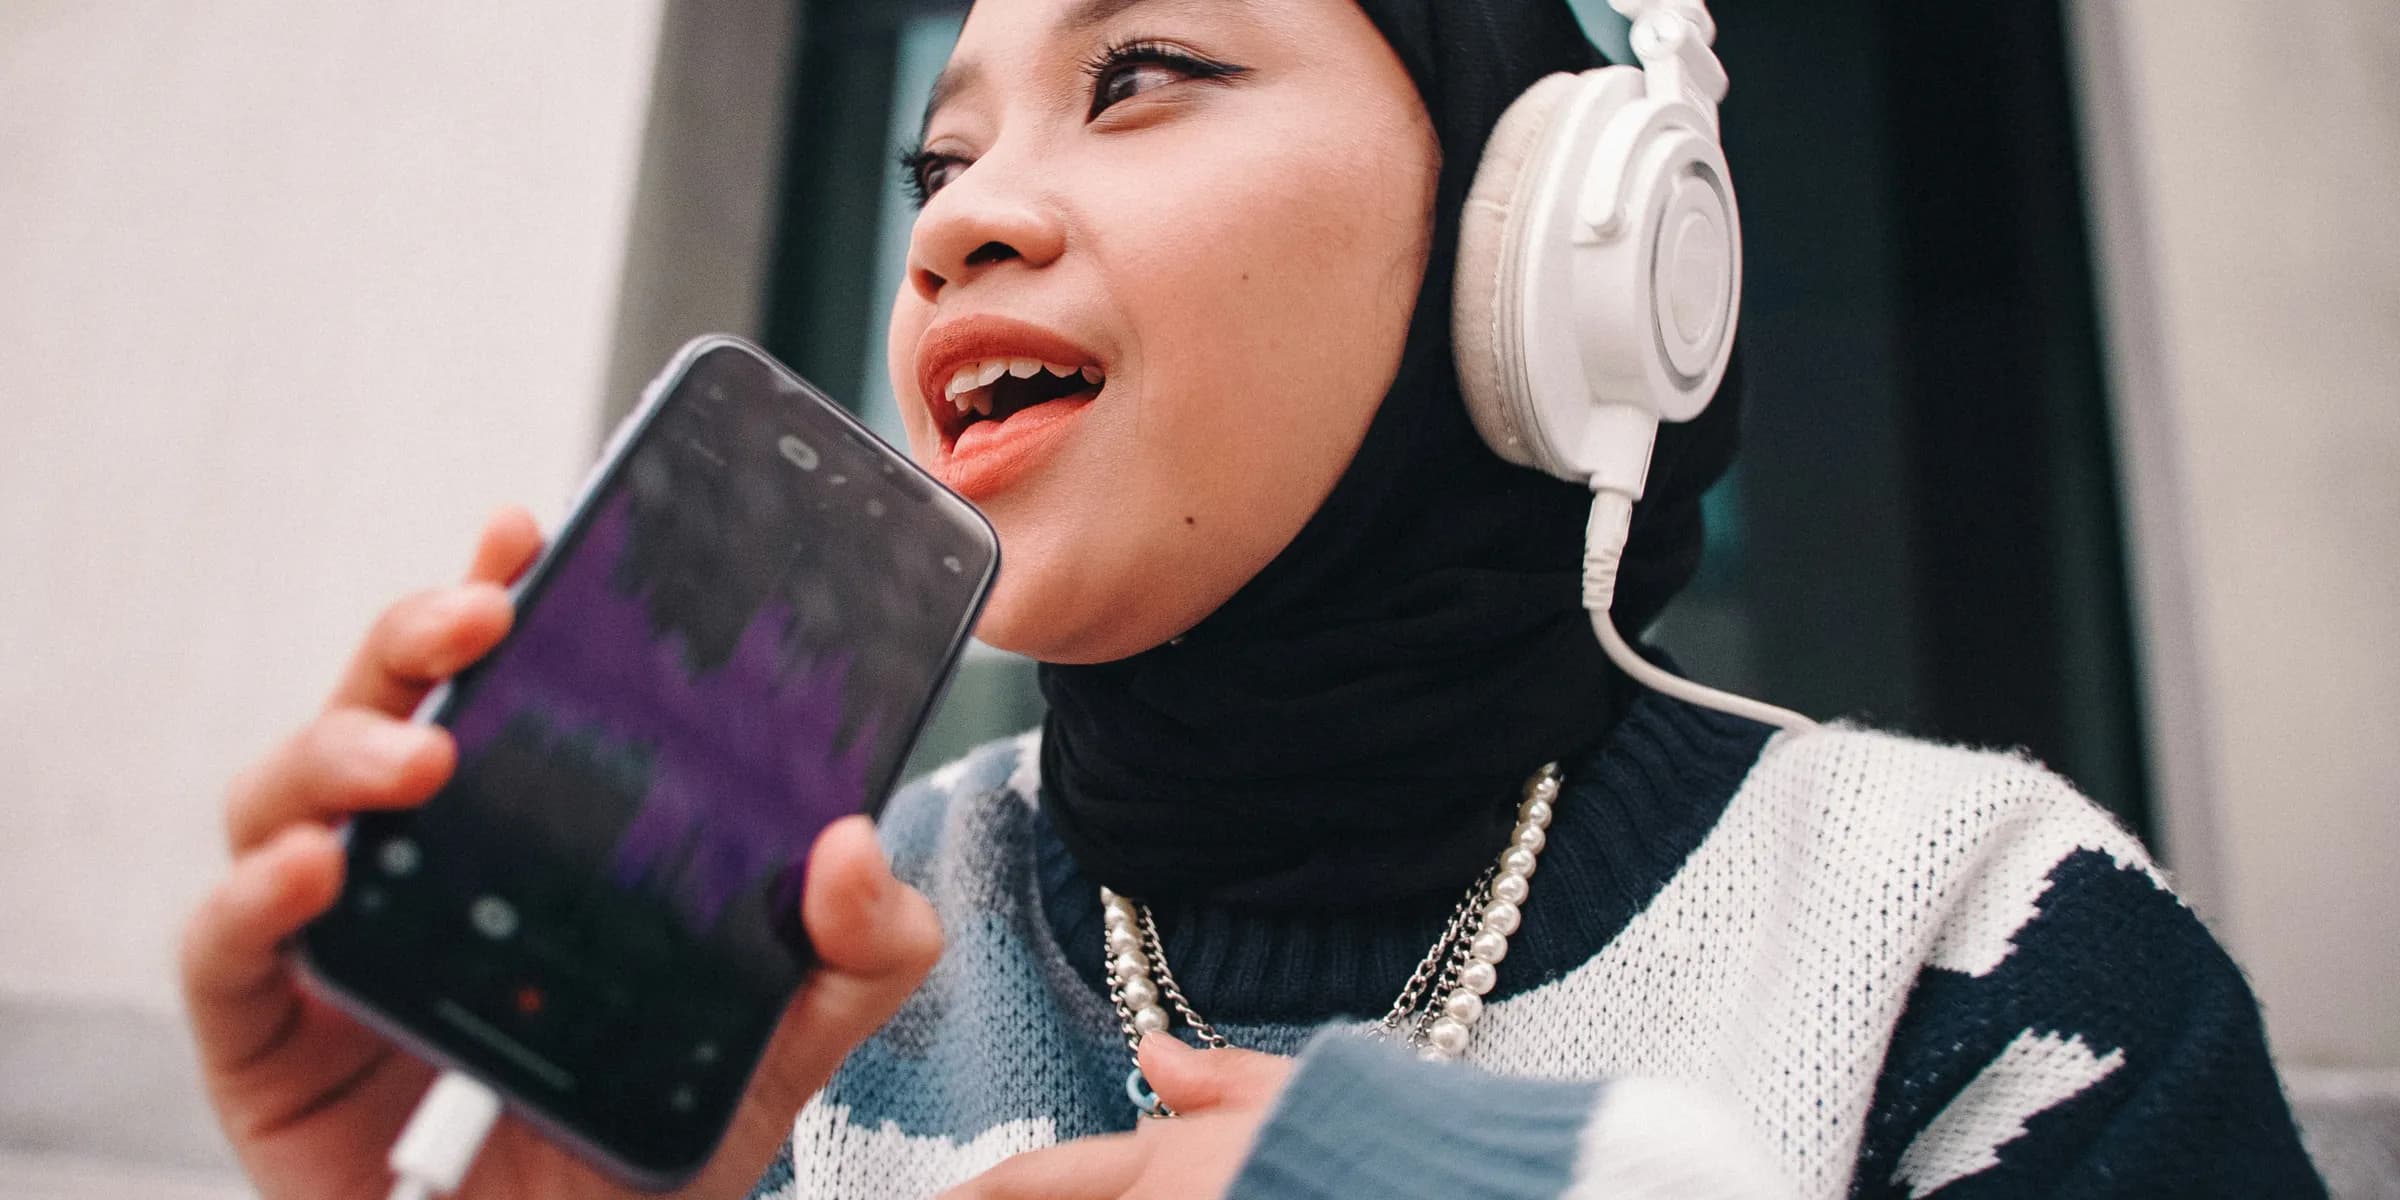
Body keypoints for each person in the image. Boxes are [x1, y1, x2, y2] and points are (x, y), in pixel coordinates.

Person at [181, 0, 2326, 1196]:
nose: (964, 225)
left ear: (1550, 244)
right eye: (939, 167)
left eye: (1143, 78)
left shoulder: (1983, 933)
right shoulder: (795, 961)